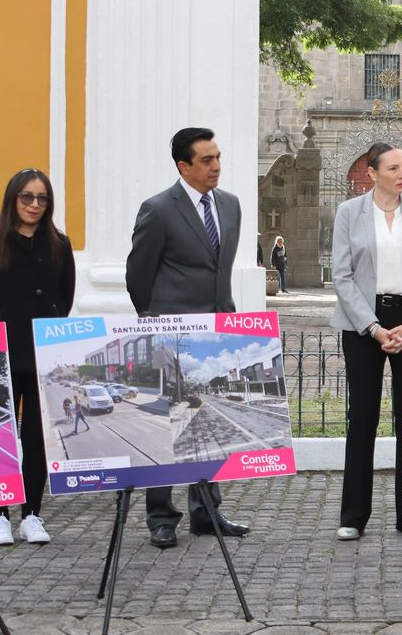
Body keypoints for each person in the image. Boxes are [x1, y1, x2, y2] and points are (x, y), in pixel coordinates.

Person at [125, 127, 250, 549]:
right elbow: (137, 276)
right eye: (206, 160)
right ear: (184, 166)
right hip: (169, 332)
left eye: (218, 157)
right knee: (164, 427)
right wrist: (157, 322)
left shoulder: (230, 205)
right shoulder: (158, 209)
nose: (216, 166)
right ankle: (161, 516)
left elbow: (220, 271)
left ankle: (206, 512)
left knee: (206, 424)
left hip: (215, 332)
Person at [331, 142, 402, 541]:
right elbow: (341, 277)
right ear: (371, 172)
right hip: (363, 322)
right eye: (393, 167)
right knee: (362, 417)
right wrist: (373, 328)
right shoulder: (349, 213)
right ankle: (353, 515)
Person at [0, 168, 75, 546]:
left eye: (42, 198)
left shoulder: (59, 245)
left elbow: (64, 298)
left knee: (35, 437)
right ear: (13, 199)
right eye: (27, 197)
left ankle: (32, 513)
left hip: (41, 353)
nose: (34, 204)